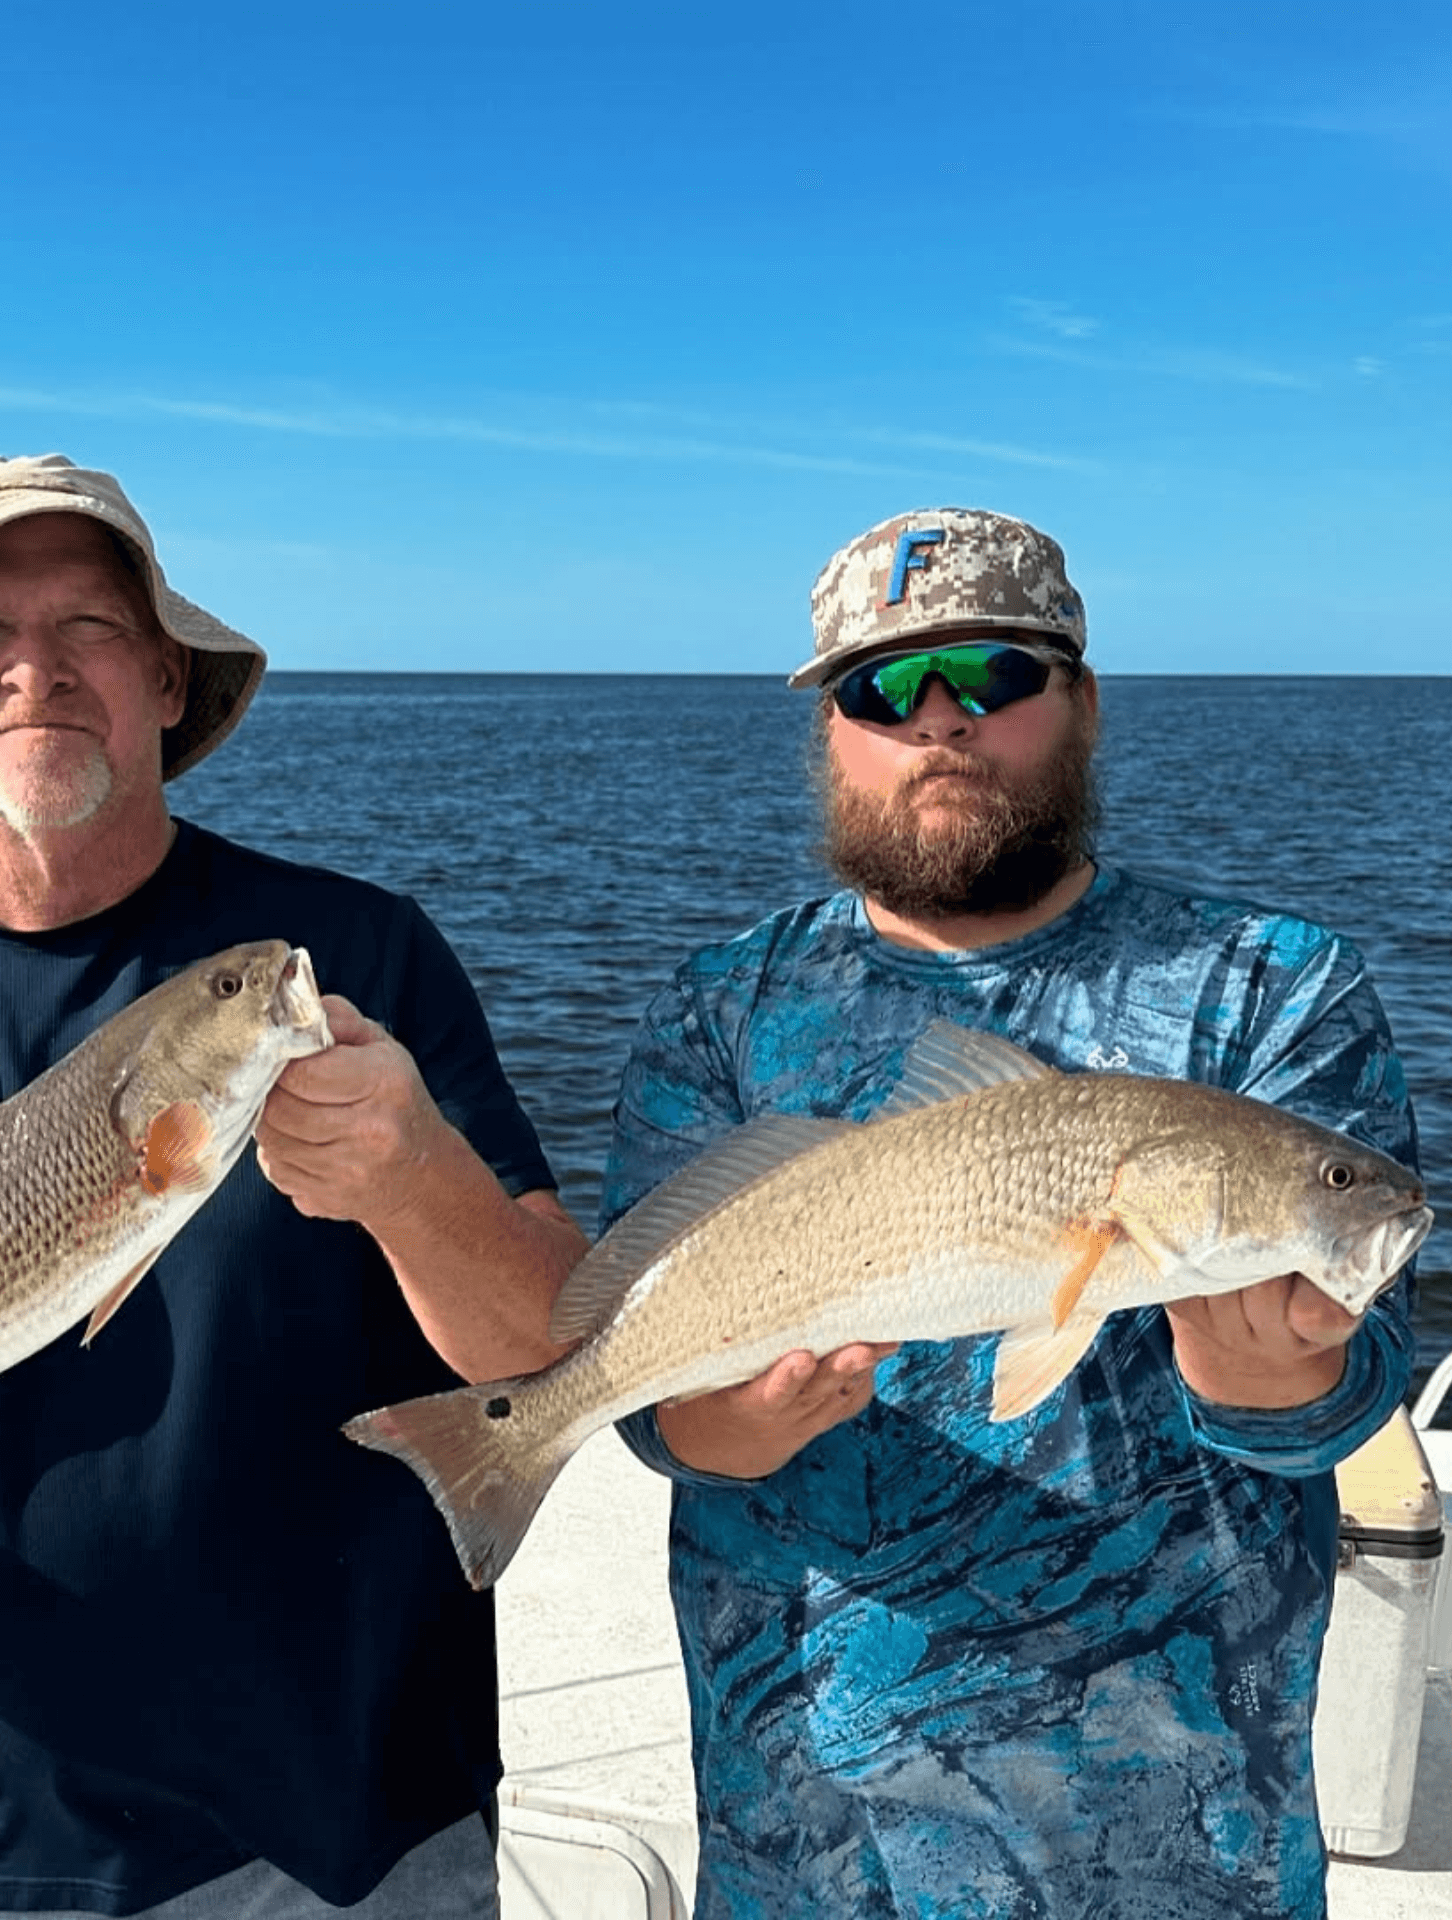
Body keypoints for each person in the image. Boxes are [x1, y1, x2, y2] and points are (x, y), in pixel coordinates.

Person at [0, 454, 587, 1920]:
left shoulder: (357, 956)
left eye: (90, 625)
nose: (35, 670)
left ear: (163, 681)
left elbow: (545, 1352)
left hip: (352, 1835)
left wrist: (413, 1176)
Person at [602, 507, 1420, 1919]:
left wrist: (1268, 1373)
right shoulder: (721, 1006)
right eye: (882, 689)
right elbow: (655, 1388)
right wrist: (725, 1426)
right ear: (832, 733)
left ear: (1081, 701)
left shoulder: (1270, 983)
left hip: (1180, 1843)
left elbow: (1347, 1393)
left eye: (990, 676)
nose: (939, 723)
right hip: (806, 1833)